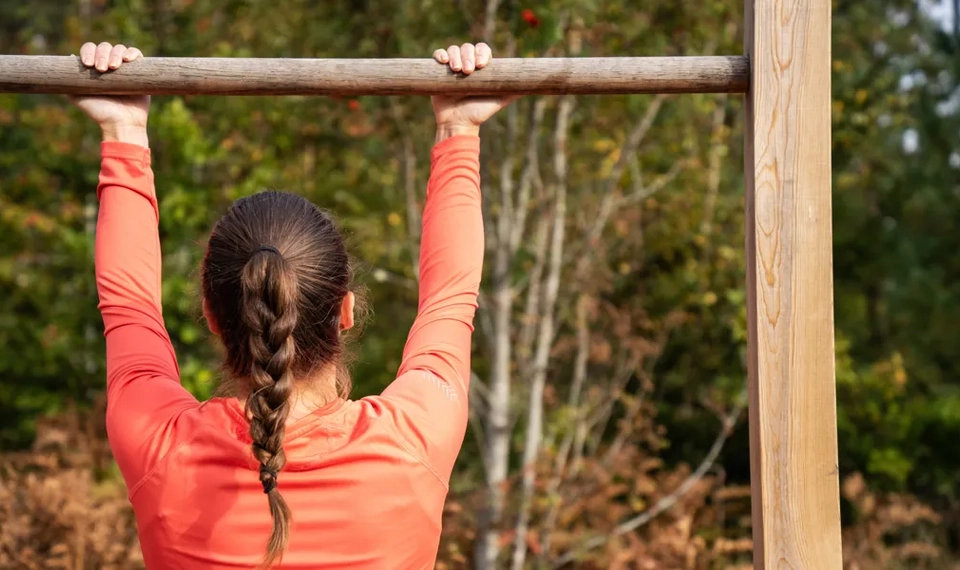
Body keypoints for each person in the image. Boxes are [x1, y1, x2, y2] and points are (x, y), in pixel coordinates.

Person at [72, 40, 515, 569]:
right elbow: (451, 299)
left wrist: (123, 131)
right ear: (346, 311)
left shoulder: (158, 443)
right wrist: (458, 130)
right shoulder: (414, 439)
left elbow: (128, 307)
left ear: (212, 317)